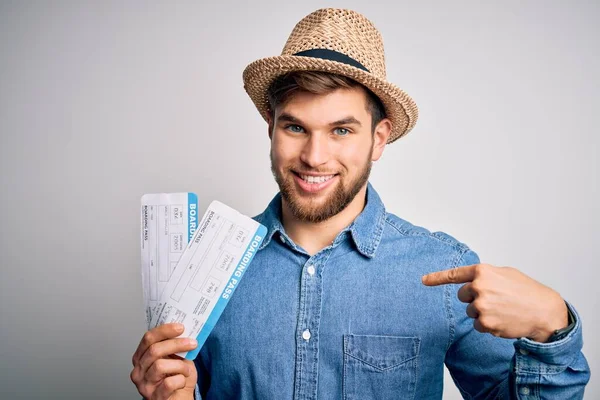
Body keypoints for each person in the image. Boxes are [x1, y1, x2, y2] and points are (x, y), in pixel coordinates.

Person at [130, 8, 590, 399]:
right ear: (270, 127)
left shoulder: (442, 270)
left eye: (341, 130)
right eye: (295, 128)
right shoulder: (208, 263)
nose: (314, 156)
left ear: (379, 139)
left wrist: (552, 323)